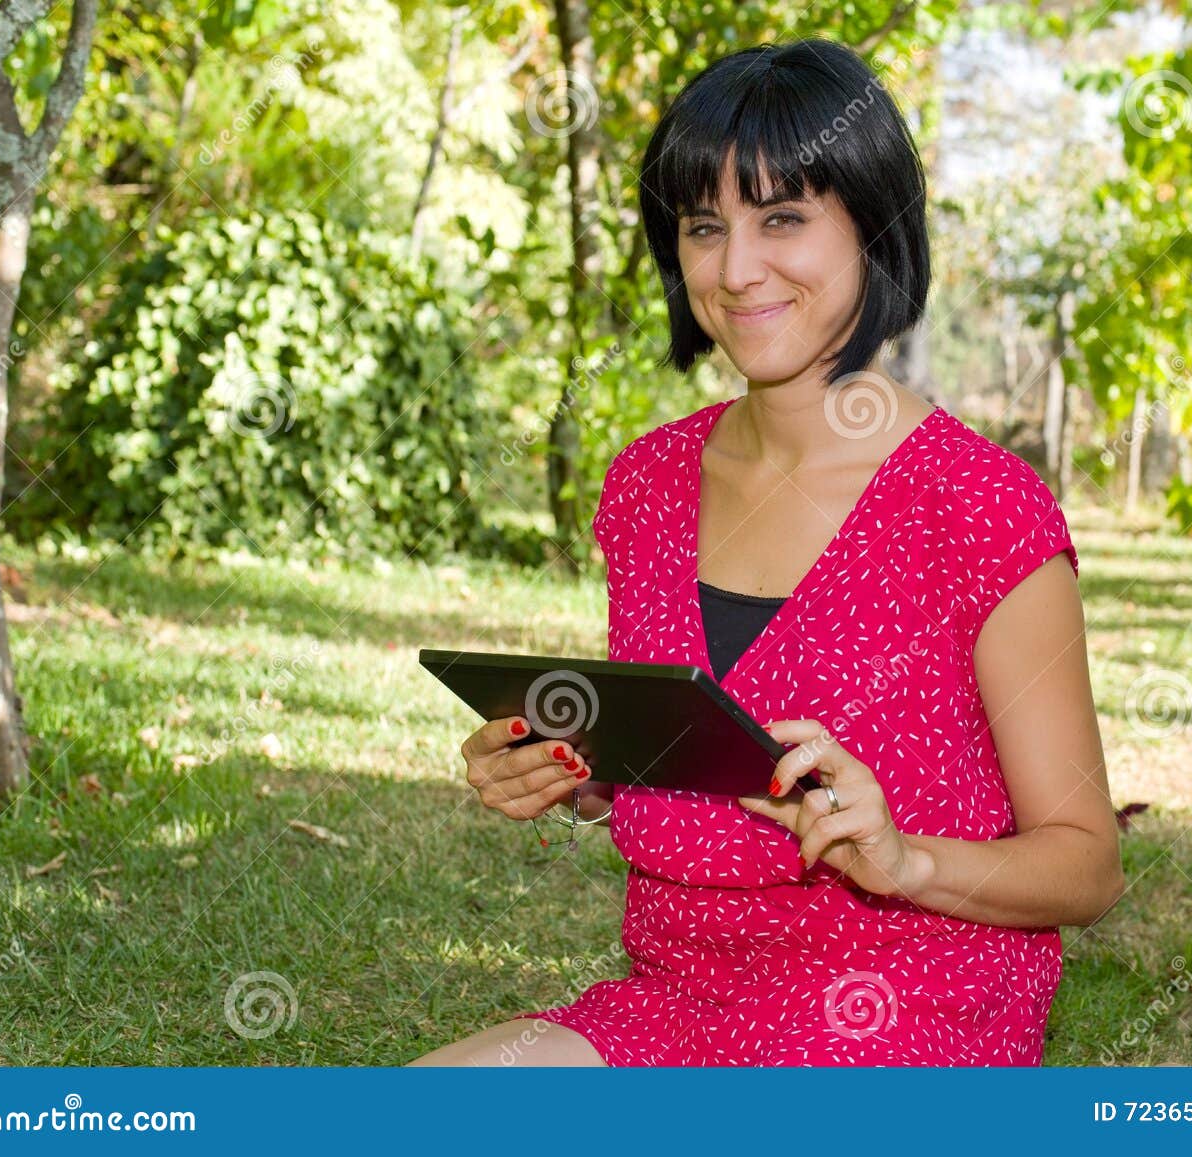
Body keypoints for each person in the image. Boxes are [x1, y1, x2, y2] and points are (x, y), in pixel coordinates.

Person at [409, 36, 1122, 1068]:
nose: (737, 270)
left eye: (782, 217)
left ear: (874, 225)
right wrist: (568, 772)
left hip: (905, 1003)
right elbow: (694, 751)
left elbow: (1088, 865)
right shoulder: (648, 484)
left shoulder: (981, 506)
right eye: (705, 227)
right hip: (680, 993)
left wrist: (904, 859)